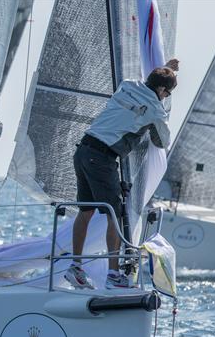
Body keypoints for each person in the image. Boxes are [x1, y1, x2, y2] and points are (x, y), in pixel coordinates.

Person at [66, 59, 179, 290]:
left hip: (83, 150)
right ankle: (113, 274)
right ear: (161, 90)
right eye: (167, 92)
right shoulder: (157, 109)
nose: (166, 97)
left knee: (85, 212)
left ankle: (75, 268)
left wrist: (164, 70)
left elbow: (149, 85)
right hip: (102, 158)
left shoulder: (127, 84)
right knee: (114, 216)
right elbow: (163, 141)